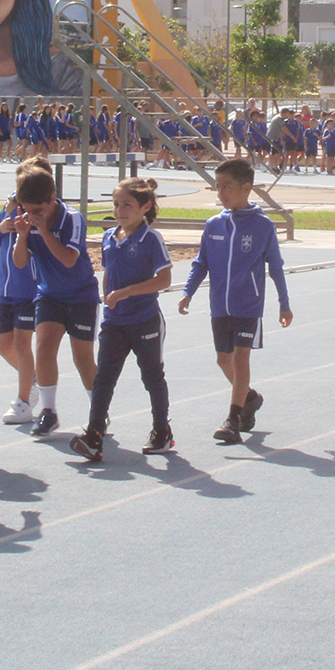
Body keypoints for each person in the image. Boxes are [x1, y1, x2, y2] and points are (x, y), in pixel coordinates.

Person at [179, 158, 293, 443]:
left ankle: (232, 418)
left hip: (248, 305)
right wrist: (188, 291)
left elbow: (275, 266)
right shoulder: (214, 224)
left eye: (227, 187)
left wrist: (284, 303)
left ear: (246, 188)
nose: (221, 193)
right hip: (219, 305)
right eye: (217, 188)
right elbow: (200, 262)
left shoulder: (263, 226)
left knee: (242, 358)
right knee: (222, 360)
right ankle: (249, 398)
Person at [70, 177, 177, 462]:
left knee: (152, 376)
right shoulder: (109, 237)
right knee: (103, 377)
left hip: (144, 320)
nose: (119, 211)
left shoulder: (150, 238)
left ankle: (161, 430)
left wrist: (127, 293)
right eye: (116, 205)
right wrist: (108, 298)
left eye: (127, 205)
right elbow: (108, 271)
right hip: (115, 321)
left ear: (145, 207)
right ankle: (93, 434)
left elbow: (164, 279)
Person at [4, 165, 98, 437]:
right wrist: (22, 236)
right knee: (44, 349)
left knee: (83, 359)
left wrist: (44, 231)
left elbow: (69, 260)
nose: (32, 216)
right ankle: (48, 411)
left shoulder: (72, 218)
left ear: (53, 198)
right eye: (27, 210)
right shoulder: (26, 220)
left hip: (81, 295)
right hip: (48, 294)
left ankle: (98, 409)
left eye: (38, 210)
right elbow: (19, 262)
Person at [0, 160, 48, 425]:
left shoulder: (39, 210)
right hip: (5, 289)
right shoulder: (9, 207)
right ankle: (33, 379)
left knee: (23, 343)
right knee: (3, 345)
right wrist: (2, 226)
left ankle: (23, 401)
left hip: (28, 288)